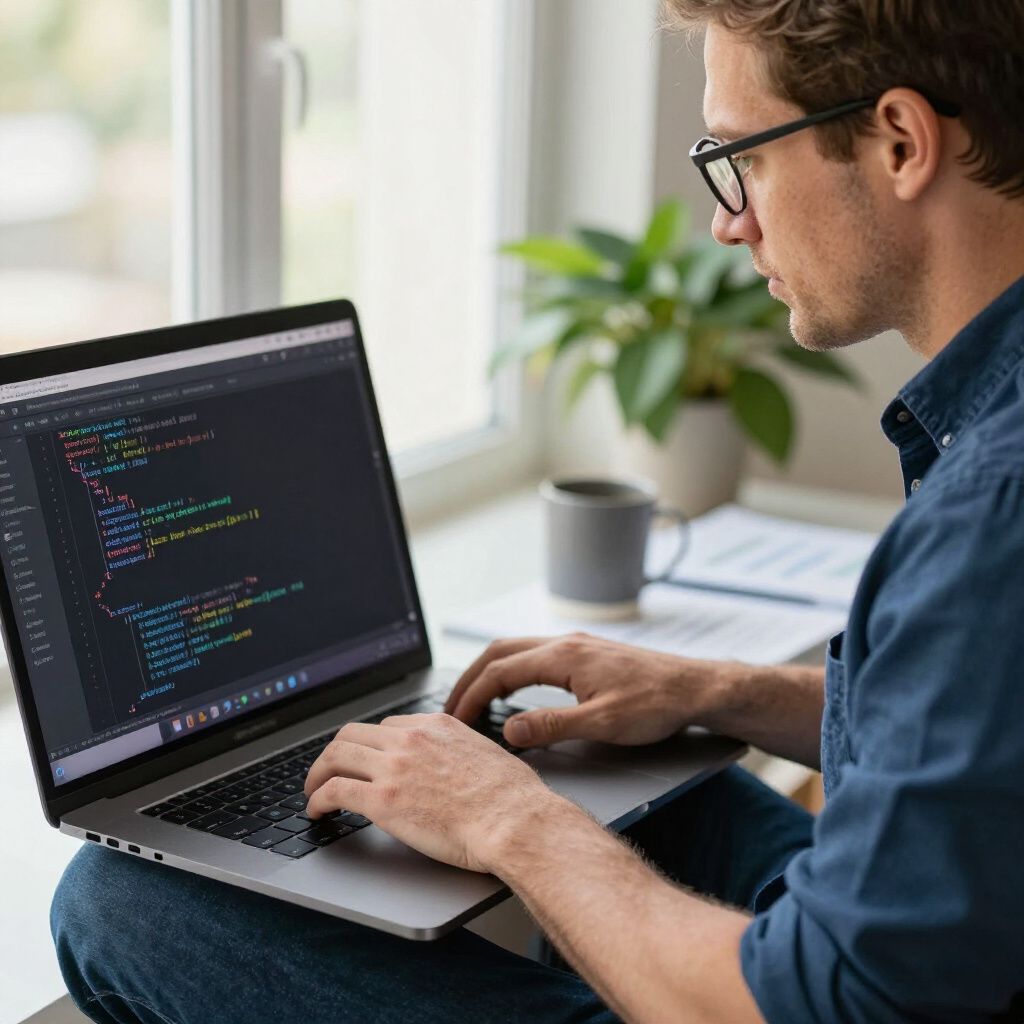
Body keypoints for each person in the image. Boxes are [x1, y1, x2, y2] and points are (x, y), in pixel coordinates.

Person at [51, 1, 1024, 1021]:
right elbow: (968, 733)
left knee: (121, 904)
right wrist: (711, 688)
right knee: (599, 766)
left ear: (901, 142)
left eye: (746, 157)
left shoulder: (988, 515)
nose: (729, 220)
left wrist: (512, 823)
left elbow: (825, 1006)